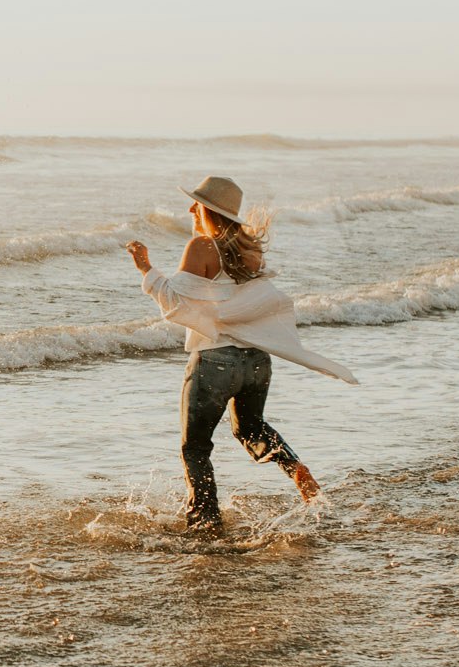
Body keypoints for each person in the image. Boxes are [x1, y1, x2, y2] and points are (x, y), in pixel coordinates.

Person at [123, 174, 353, 534]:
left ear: (208, 211)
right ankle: (295, 469)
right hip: (256, 361)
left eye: (196, 203)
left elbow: (175, 301)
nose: (190, 208)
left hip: (215, 362)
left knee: (195, 448)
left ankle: (206, 521)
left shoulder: (201, 246)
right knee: (251, 428)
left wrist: (145, 268)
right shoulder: (252, 252)